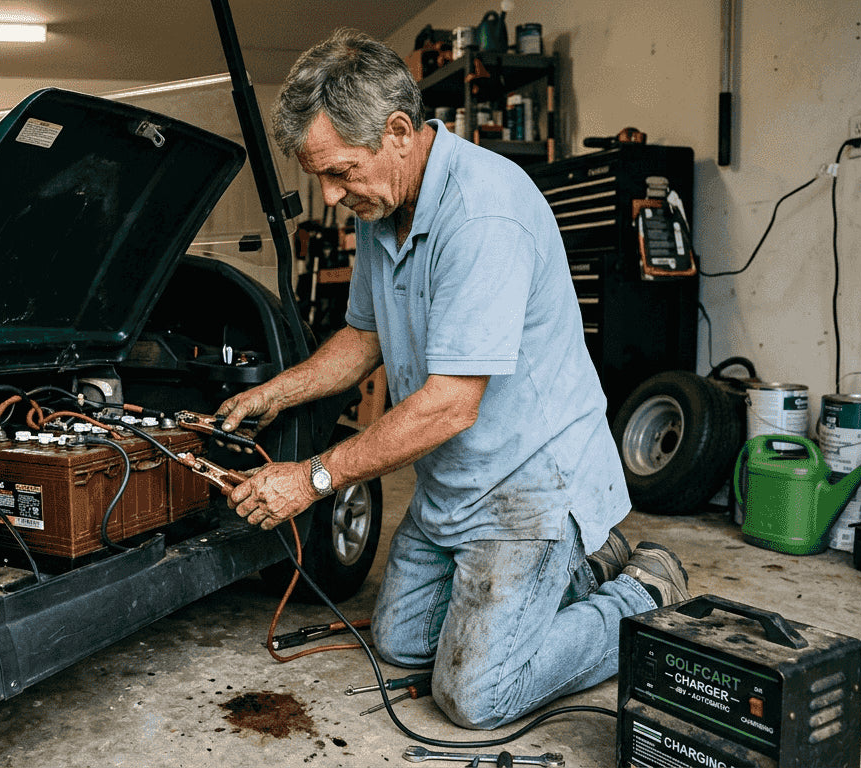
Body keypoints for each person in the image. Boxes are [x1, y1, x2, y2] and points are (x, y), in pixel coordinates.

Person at [216, 28, 690, 730]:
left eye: (341, 170)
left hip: (530, 481)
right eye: (320, 175)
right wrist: (273, 392)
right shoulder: (383, 212)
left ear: (399, 131)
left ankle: (640, 591)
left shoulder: (483, 213)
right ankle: (588, 562)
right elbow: (364, 337)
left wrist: (311, 479)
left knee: (476, 696)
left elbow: (448, 407)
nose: (330, 192)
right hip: (457, 481)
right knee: (403, 646)